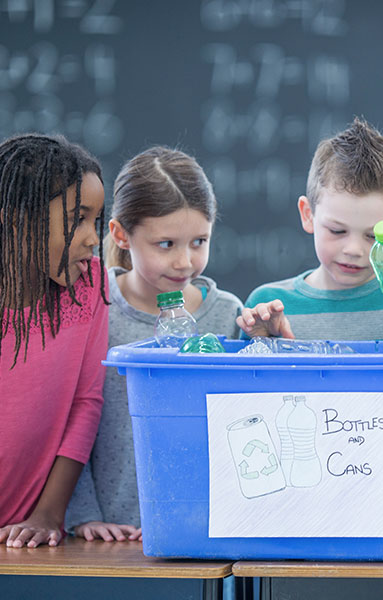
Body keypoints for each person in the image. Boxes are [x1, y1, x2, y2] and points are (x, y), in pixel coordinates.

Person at [65, 147, 243, 542]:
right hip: (102, 535)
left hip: (201, 532)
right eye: (166, 244)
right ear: (120, 235)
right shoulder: (90, 305)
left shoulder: (227, 315)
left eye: (199, 241)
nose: (185, 262)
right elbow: (66, 419)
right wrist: (83, 516)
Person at [236, 117, 383, 340]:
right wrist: (266, 343)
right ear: (308, 215)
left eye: (373, 236)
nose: (353, 250)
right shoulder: (269, 308)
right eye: (337, 231)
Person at [0, 133, 108, 548]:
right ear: (16, 218)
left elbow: (86, 402)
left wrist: (50, 512)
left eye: (95, 221)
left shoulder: (92, 284)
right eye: (77, 218)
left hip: (29, 534)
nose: (91, 238)